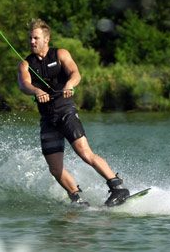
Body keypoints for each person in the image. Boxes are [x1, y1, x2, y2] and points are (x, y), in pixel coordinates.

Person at [17, 18, 130, 207]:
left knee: (85, 153)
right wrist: (36, 91)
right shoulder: (25, 64)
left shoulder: (60, 54)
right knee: (55, 167)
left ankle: (117, 187)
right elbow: (24, 84)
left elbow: (75, 73)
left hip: (66, 112)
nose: (32, 42)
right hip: (48, 119)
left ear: (46, 39)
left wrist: (69, 85)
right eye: (30, 38)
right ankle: (77, 198)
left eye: (36, 38)